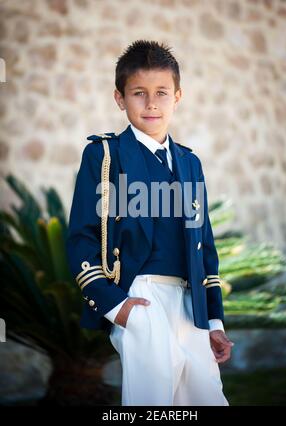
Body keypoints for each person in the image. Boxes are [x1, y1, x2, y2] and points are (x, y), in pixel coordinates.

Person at [66, 40, 234, 406]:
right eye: (139, 93)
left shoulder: (191, 163)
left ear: (178, 96)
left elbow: (204, 245)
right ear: (120, 98)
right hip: (141, 297)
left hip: (191, 307)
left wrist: (214, 321)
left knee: (207, 398)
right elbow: (81, 236)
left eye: (161, 92)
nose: (151, 103)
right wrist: (117, 307)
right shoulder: (105, 155)